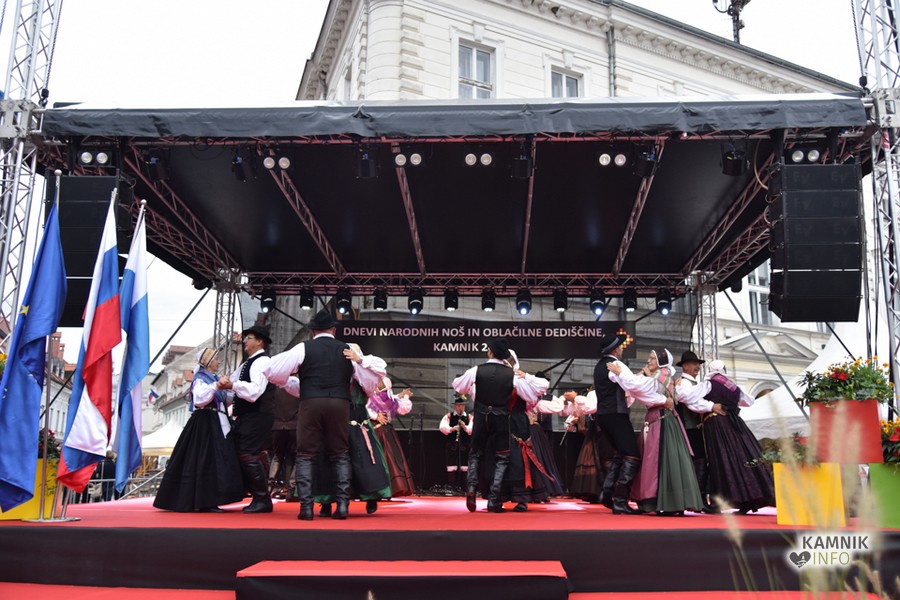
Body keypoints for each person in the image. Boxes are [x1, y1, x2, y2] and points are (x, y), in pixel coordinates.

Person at [264, 309, 386, 520]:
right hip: (340, 404)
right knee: (340, 454)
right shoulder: (346, 349)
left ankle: (306, 508)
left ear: (313, 331)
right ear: (333, 330)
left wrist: (291, 378)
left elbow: (272, 370)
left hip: (311, 403)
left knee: (305, 455)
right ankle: (342, 506)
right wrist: (360, 361)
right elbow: (374, 377)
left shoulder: (304, 348)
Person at [607, 348, 719, 515]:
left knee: (661, 460)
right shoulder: (657, 376)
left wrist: (621, 372)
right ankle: (655, 502)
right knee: (653, 461)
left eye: (652, 358)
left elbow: (637, 387)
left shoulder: (662, 375)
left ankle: (668, 503)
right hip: (656, 419)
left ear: (661, 361)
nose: (649, 361)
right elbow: (637, 387)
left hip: (662, 420)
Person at [452, 337, 548, 513]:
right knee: (502, 458)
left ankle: (471, 487)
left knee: (475, 454)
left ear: (489, 352)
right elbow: (531, 396)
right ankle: (494, 499)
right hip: (502, 418)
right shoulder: (512, 376)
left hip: (481, 417)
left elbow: (458, 386)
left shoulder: (477, 370)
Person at [677, 359, 776, 514]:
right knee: (742, 457)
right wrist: (729, 405)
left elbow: (685, 397)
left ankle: (723, 501)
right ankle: (749, 498)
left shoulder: (709, 384)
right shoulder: (732, 385)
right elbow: (748, 401)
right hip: (735, 424)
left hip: (717, 424)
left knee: (721, 460)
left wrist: (709, 405)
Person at [154, 348, 244, 512]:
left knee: (214, 460)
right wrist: (217, 385)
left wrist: (234, 388)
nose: (219, 362)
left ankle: (212, 499)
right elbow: (200, 399)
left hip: (216, 421)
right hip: (205, 423)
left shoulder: (212, 378)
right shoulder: (200, 379)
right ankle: (204, 501)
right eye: (216, 359)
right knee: (206, 460)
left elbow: (224, 399)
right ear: (208, 362)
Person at [217, 325, 277, 514]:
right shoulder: (247, 363)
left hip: (258, 414)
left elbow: (255, 391)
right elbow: (232, 388)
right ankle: (254, 494)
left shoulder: (262, 362)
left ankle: (263, 498)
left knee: (247, 454)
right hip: (248, 415)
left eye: (248, 338)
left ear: (259, 341)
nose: (244, 341)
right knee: (240, 452)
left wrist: (232, 385)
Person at [593, 332, 642, 514]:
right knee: (632, 455)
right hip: (616, 414)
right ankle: (620, 500)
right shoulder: (616, 365)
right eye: (620, 347)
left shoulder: (599, 366)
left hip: (603, 415)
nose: (622, 349)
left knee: (621, 454)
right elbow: (632, 384)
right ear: (615, 349)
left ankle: (607, 493)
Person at [674, 350, 712, 512]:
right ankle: (699, 500)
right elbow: (691, 403)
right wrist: (711, 406)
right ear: (685, 366)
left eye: (698, 364)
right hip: (690, 428)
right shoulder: (684, 383)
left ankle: (697, 499)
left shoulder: (694, 383)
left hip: (695, 427)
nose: (698, 366)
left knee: (699, 461)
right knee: (699, 460)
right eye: (694, 363)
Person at [367, 377, 416, 497]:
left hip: (378, 432)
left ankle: (379, 488)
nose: (377, 384)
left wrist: (375, 416)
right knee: (388, 460)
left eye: (380, 383)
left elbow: (366, 408)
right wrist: (404, 396)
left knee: (380, 459)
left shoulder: (377, 398)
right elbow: (402, 406)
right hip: (384, 432)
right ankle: (391, 488)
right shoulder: (389, 399)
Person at [269, 387, 299, 501]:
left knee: (277, 457)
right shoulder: (296, 388)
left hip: (277, 426)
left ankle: (269, 487)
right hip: (294, 426)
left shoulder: (275, 389)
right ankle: (291, 489)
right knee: (295, 458)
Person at [439, 394, 473, 492]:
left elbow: (472, 429)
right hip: (452, 444)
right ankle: (452, 487)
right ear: (455, 406)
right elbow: (442, 427)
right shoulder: (449, 416)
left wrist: (465, 427)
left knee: (465, 465)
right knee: (451, 465)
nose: (460, 408)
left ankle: (465, 488)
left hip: (465, 444)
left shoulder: (469, 417)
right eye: (458, 405)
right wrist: (451, 429)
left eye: (462, 405)